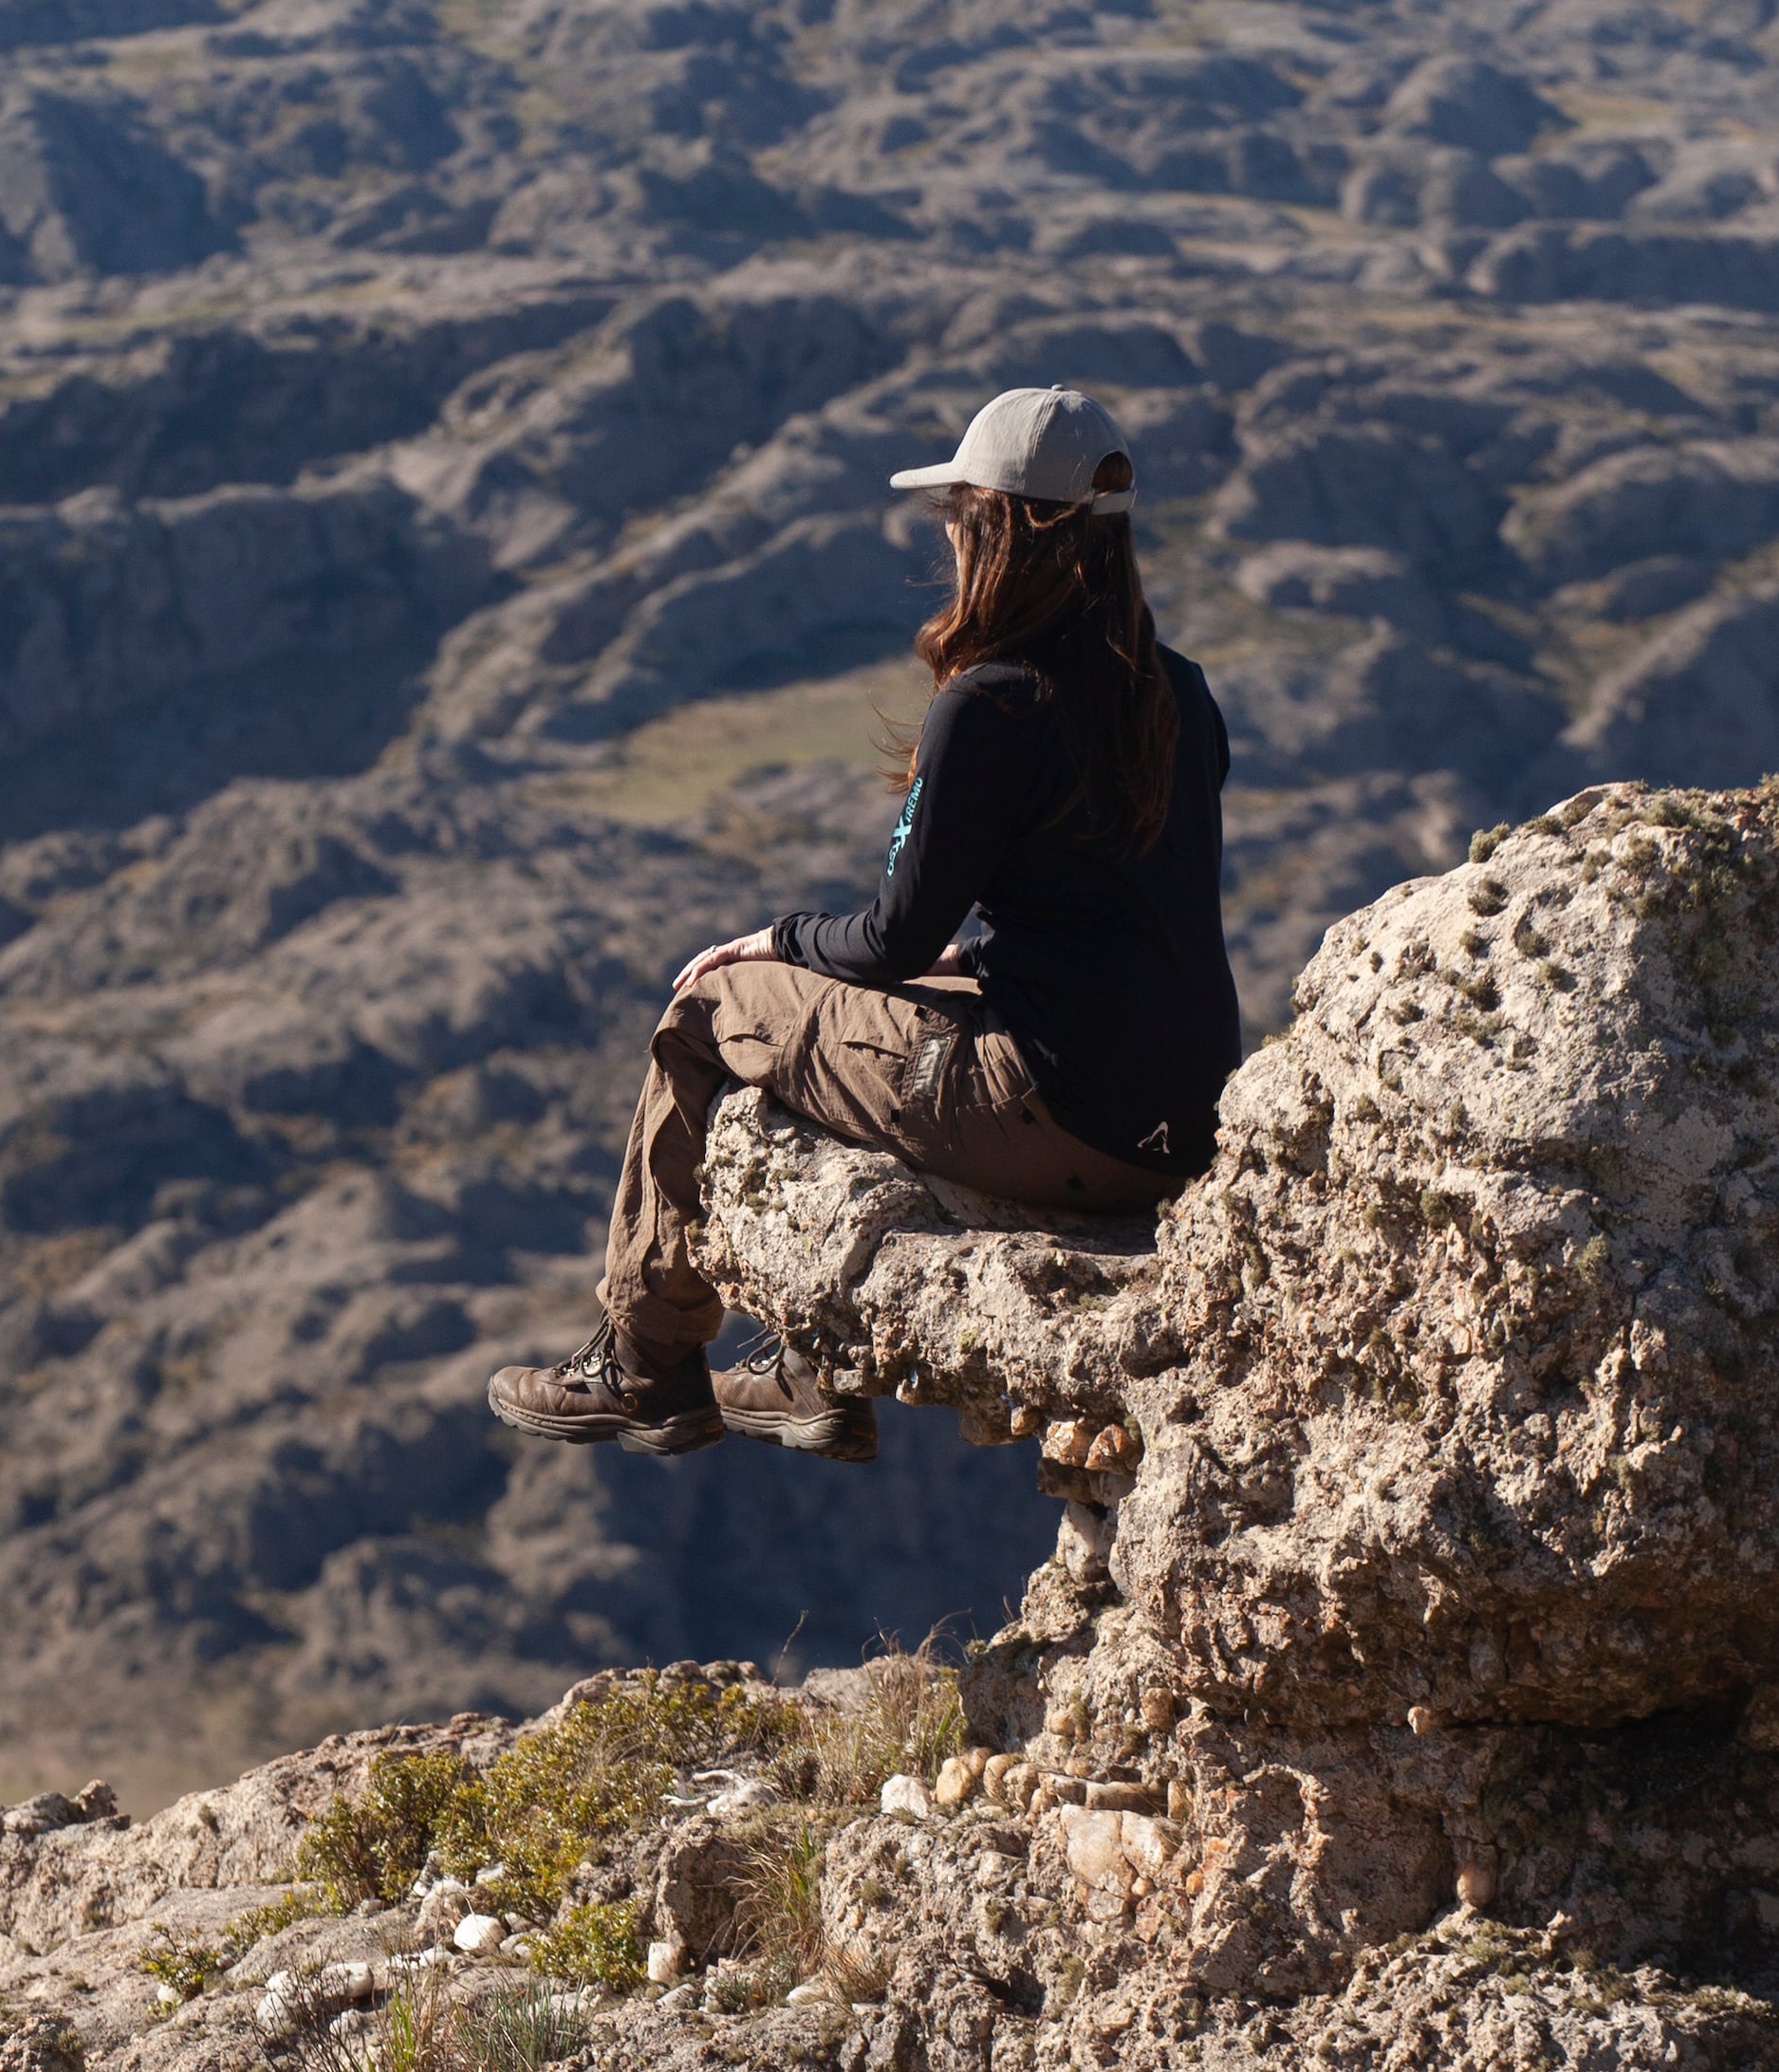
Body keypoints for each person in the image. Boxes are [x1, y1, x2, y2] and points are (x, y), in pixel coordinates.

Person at [482, 381, 1238, 1465]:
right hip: (1179, 1124)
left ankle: (646, 1365)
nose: (946, 535)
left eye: (956, 513)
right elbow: (1114, 914)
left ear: (997, 528)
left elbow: (887, 942)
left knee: (710, 1012)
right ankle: (813, 1369)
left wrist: (777, 941)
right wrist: (975, 958)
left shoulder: (992, 702)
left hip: (1059, 1115)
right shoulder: (1180, 691)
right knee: (866, 1016)